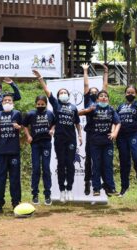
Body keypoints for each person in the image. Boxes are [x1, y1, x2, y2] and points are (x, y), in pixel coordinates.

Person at [33, 70, 83, 203]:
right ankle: (62, 190)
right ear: (58, 96)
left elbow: (77, 123)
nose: (63, 94)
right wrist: (41, 79)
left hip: (71, 139)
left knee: (70, 164)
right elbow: (47, 92)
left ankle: (69, 189)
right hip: (59, 140)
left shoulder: (73, 107)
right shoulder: (56, 104)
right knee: (61, 164)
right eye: (60, 93)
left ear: (68, 95)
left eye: (64, 92)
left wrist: (80, 136)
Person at [82, 90, 121, 197]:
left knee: (108, 165)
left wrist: (114, 132)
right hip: (95, 142)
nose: (103, 97)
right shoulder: (93, 108)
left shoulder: (111, 109)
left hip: (107, 142)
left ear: (108, 99)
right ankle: (96, 188)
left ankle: (111, 188)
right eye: (101, 96)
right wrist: (87, 110)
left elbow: (117, 123)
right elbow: (77, 113)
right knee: (96, 165)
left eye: (105, 96)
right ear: (98, 99)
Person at [0, 93, 22, 213]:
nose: (7, 102)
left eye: (9, 100)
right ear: (1, 103)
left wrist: (18, 127)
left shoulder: (17, 113)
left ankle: (16, 202)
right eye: (5, 101)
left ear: (13, 103)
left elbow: (22, 127)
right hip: (1, 151)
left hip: (14, 151)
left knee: (14, 178)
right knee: (1, 178)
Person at [116, 85, 137, 197]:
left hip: (134, 135)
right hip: (121, 137)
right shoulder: (120, 107)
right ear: (125, 94)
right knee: (124, 161)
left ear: (136, 94)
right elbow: (116, 121)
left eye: (132, 92)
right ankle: (124, 187)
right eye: (128, 92)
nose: (130, 94)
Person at [80, 62, 108, 195]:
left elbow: (105, 87)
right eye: (92, 91)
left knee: (102, 160)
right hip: (91, 135)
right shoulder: (88, 102)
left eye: (96, 91)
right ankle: (87, 182)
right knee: (89, 160)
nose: (93, 91)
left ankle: (105, 184)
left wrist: (106, 73)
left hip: (102, 135)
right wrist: (85, 71)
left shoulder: (101, 102)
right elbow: (86, 85)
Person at [23, 95, 56, 206]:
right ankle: (35, 195)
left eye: (42, 104)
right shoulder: (31, 114)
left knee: (46, 168)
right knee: (36, 168)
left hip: (46, 143)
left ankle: (47, 194)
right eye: (38, 104)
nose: (40, 106)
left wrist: (52, 129)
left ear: (46, 104)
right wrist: (28, 136)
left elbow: (54, 123)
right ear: (35, 104)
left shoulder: (50, 114)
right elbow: (25, 125)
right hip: (35, 144)